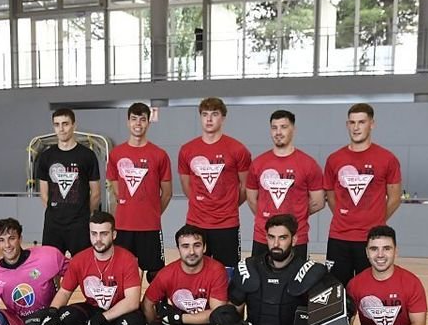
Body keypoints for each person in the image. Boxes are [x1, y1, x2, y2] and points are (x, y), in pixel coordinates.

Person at [39, 211, 147, 325]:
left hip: (121, 310)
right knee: (64, 317)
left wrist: (102, 319)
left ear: (114, 234)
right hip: (93, 308)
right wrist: (52, 312)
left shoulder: (127, 259)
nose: (98, 239)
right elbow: (64, 293)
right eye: (94, 233)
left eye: (104, 234)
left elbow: (132, 301)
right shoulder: (79, 260)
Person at [323, 103, 403, 287]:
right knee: (336, 293)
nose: (356, 127)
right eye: (352, 122)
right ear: (347, 125)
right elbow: (331, 195)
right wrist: (346, 217)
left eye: (361, 122)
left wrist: (375, 219)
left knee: (370, 291)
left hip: (371, 239)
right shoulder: (334, 159)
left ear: (372, 124)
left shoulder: (387, 159)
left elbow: (395, 198)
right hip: (339, 237)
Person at [177, 97, 252, 269]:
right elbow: (187, 186)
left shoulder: (237, 149)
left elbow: (245, 186)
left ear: (223, 118)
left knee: (228, 273)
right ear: (200, 117)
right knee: (195, 270)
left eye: (214, 114)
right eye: (205, 114)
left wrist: (229, 204)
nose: (209, 119)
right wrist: (201, 203)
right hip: (196, 222)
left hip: (226, 223)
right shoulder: (187, 150)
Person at [245, 110, 325, 261]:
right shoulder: (258, 163)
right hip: (263, 237)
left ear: (293, 129)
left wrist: (296, 215)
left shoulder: (309, 164)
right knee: (258, 282)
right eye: (274, 128)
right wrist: (267, 216)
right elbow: (252, 200)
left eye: (283, 127)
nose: (278, 132)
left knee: (296, 283)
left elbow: (318, 202)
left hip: (296, 238)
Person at [106, 101, 172, 281]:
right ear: (128, 122)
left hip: (150, 226)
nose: (138, 123)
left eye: (142, 119)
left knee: (155, 275)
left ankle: (154, 309)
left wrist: (153, 212)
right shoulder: (116, 154)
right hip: (123, 226)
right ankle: (127, 309)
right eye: (134, 119)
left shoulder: (159, 155)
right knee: (122, 275)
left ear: (148, 123)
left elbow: (167, 193)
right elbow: (114, 185)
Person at [35, 108, 101, 256]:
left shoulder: (87, 156)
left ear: (74, 126)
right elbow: (44, 193)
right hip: (53, 225)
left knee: (82, 265)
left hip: (79, 225)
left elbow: (96, 193)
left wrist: (83, 214)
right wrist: (56, 213)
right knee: (51, 266)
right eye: (57, 124)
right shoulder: (46, 157)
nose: (61, 129)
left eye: (65, 124)